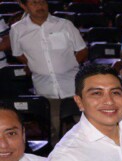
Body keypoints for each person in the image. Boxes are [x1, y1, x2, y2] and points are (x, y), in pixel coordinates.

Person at [10, 0, 87, 143]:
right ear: (23, 6)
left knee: (85, 131)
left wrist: (69, 65)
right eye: (34, 3)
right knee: (54, 135)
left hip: (73, 87)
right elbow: (18, 53)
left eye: (42, 2)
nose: (40, 6)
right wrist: (35, 65)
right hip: (45, 90)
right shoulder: (17, 29)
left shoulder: (64, 25)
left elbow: (82, 50)